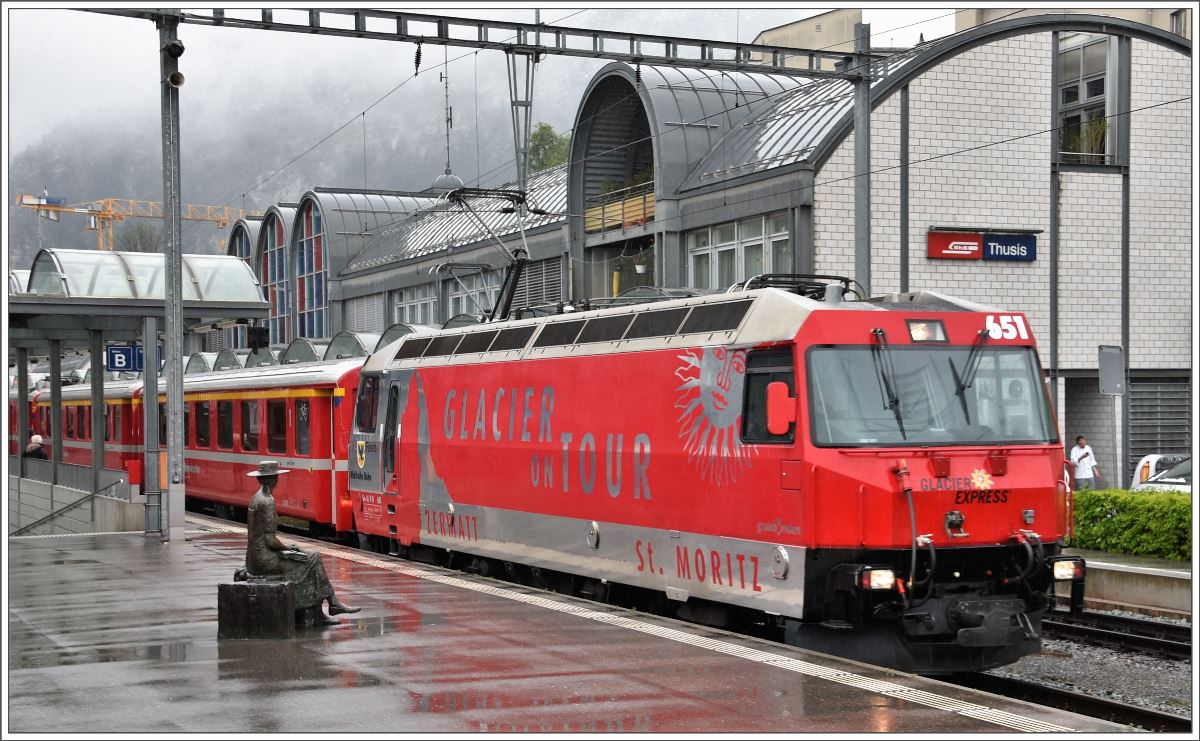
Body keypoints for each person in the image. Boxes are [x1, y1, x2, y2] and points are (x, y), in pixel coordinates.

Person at [243, 460, 359, 624]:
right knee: (312, 559)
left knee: (310, 558)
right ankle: (331, 605)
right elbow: (270, 540)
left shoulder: (257, 497)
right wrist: (288, 548)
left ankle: (323, 612)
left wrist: (287, 548)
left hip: (253, 558)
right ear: (274, 478)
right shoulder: (267, 501)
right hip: (264, 560)